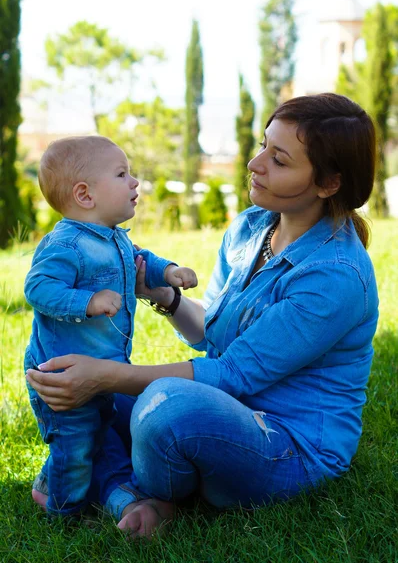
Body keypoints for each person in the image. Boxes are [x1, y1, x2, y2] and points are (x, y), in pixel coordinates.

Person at [27, 93, 379, 538]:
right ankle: (118, 480)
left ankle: (142, 490)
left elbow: (232, 373)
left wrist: (106, 374)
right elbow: (215, 335)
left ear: (328, 184)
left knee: (162, 409)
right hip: (225, 405)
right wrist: (167, 298)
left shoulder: (335, 276)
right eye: (262, 146)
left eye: (279, 159)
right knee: (95, 403)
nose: (255, 164)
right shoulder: (252, 226)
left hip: (288, 441)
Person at [24, 135, 197, 516]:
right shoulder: (66, 244)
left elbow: (141, 259)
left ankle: (54, 483)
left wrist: (168, 271)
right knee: (77, 445)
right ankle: (64, 512)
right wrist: (88, 302)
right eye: (122, 174)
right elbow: (38, 288)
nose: (134, 182)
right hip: (62, 375)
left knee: (100, 432)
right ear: (85, 196)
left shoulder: (114, 238)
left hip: (103, 367)